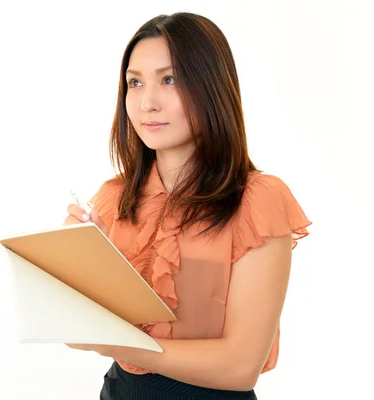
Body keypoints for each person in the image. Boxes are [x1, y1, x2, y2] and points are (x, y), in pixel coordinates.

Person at [63, 12, 311, 400]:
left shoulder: (257, 202)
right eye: (135, 82)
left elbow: (241, 367)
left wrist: (118, 346)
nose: (147, 102)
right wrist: (73, 263)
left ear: (210, 86)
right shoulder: (115, 199)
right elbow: (77, 329)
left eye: (170, 79)